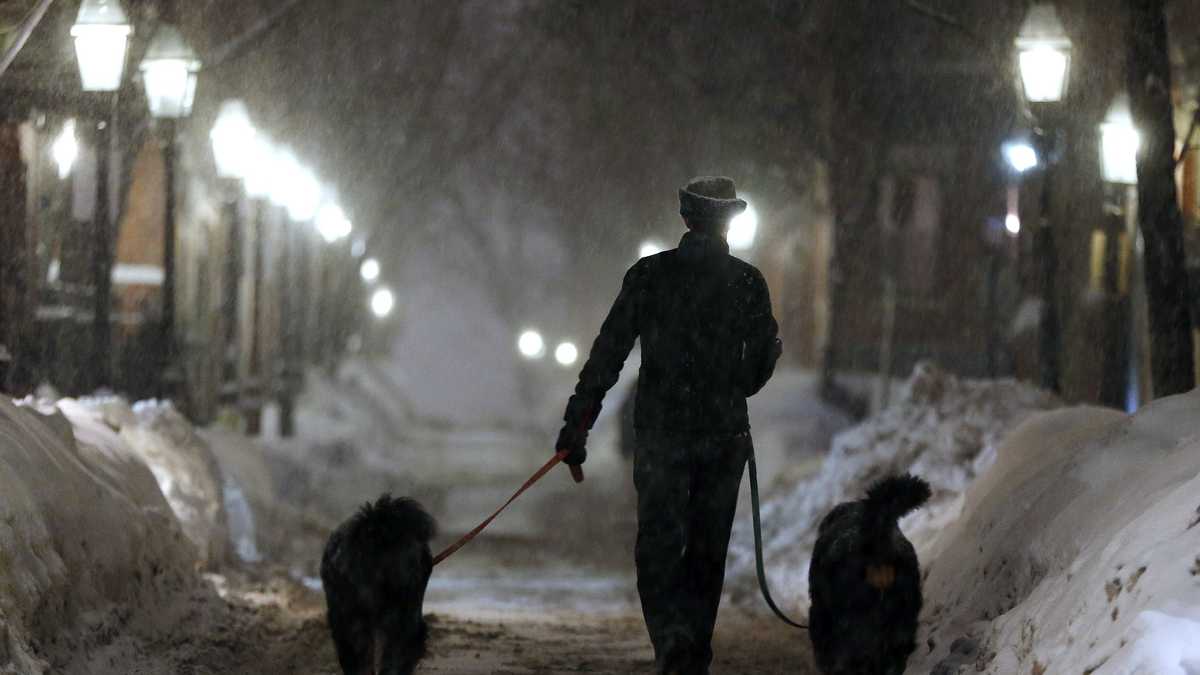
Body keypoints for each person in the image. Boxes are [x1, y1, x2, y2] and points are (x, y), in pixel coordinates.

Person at [555, 176, 782, 674]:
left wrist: (578, 425)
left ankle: (671, 642)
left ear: (685, 219)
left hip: (660, 436)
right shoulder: (747, 283)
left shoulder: (649, 277)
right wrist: (735, 385)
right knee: (707, 549)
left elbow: (607, 355)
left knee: (657, 545)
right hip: (723, 439)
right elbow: (765, 356)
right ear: (730, 222)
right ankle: (692, 651)